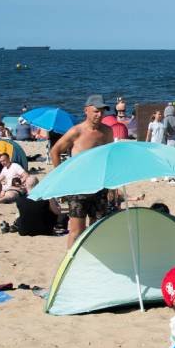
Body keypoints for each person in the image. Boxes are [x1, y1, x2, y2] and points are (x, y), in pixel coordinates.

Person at [50, 95, 115, 247]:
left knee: (96, 228)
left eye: (102, 111)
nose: (99, 115)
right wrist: (61, 177)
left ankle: (90, 260)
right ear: (86, 110)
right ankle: (70, 264)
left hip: (100, 185)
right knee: (76, 230)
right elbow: (55, 151)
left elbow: (110, 157)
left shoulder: (107, 132)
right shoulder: (76, 131)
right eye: (96, 111)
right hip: (78, 187)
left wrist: (112, 185)